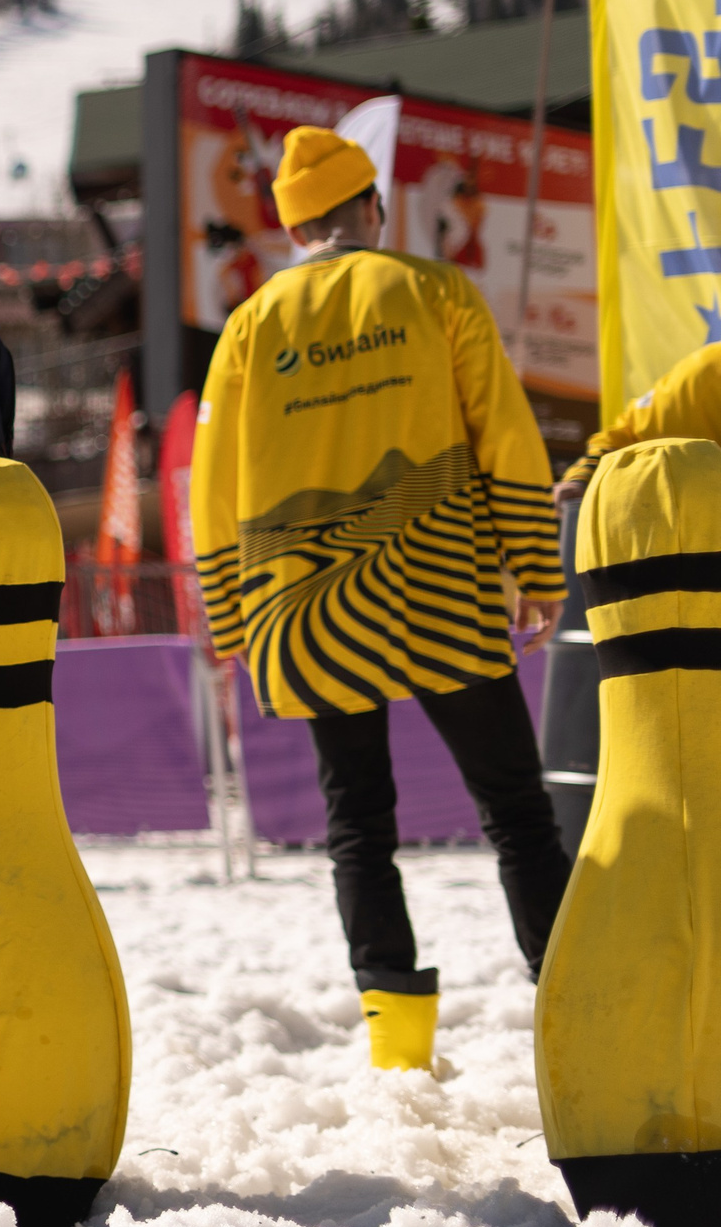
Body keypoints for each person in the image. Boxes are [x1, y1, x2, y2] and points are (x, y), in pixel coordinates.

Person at [191, 126, 568, 1073]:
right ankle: (576, 1011)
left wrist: (232, 618)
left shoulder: (249, 325)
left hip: (305, 614)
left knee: (357, 820)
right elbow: (507, 440)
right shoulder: (437, 291)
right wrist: (537, 567)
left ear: (293, 227)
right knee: (516, 811)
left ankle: (399, 1050)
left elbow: (214, 487)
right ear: (373, 210)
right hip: (441, 588)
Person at [553, 341, 721, 502]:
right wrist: (582, 479)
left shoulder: (707, 366)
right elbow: (625, 438)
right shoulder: (708, 369)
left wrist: (582, 478)